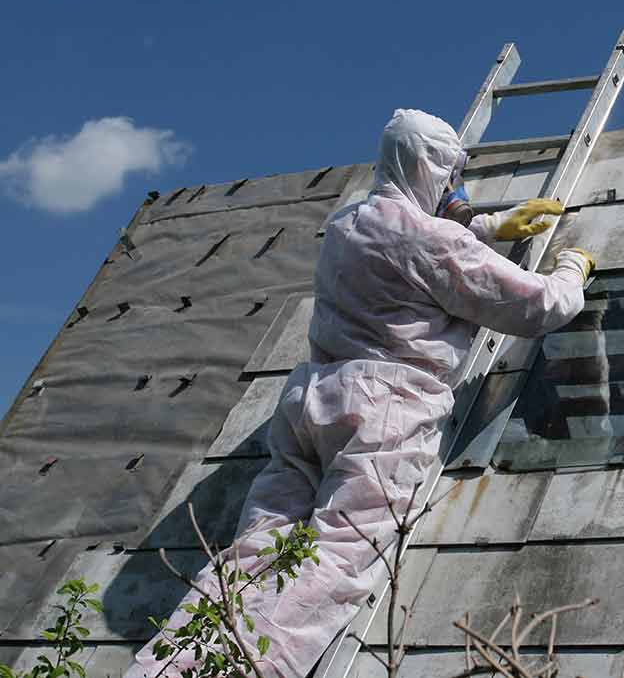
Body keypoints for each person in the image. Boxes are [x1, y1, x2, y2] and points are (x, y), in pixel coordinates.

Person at [127, 109, 595, 678]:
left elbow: (406, 246)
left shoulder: (347, 225)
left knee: (256, 550)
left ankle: (172, 668)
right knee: (339, 557)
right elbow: (536, 306)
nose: (454, 188)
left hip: (312, 401)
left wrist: (486, 228)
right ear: (430, 167)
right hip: (384, 407)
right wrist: (573, 267)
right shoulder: (432, 240)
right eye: (450, 174)